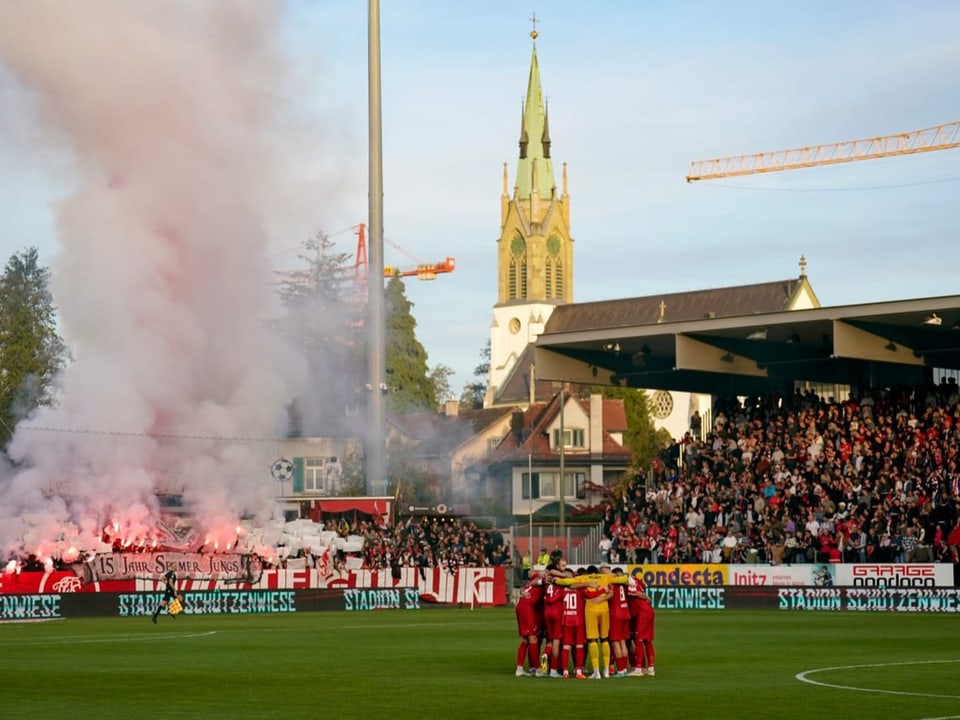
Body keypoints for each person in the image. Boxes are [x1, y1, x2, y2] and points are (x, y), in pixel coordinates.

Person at [514, 571, 546, 676]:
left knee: (525, 639)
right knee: (533, 638)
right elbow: (541, 581)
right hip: (527, 608)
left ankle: (519, 668)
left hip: (521, 606)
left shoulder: (529, 584)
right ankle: (537, 669)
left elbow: (522, 590)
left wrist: (522, 591)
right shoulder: (540, 581)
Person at [627, 571, 656, 676]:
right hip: (649, 610)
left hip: (642, 612)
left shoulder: (629, 581)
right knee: (648, 641)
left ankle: (639, 668)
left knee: (639, 639)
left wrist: (645, 597)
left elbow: (636, 593)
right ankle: (651, 668)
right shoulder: (637, 581)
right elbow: (644, 585)